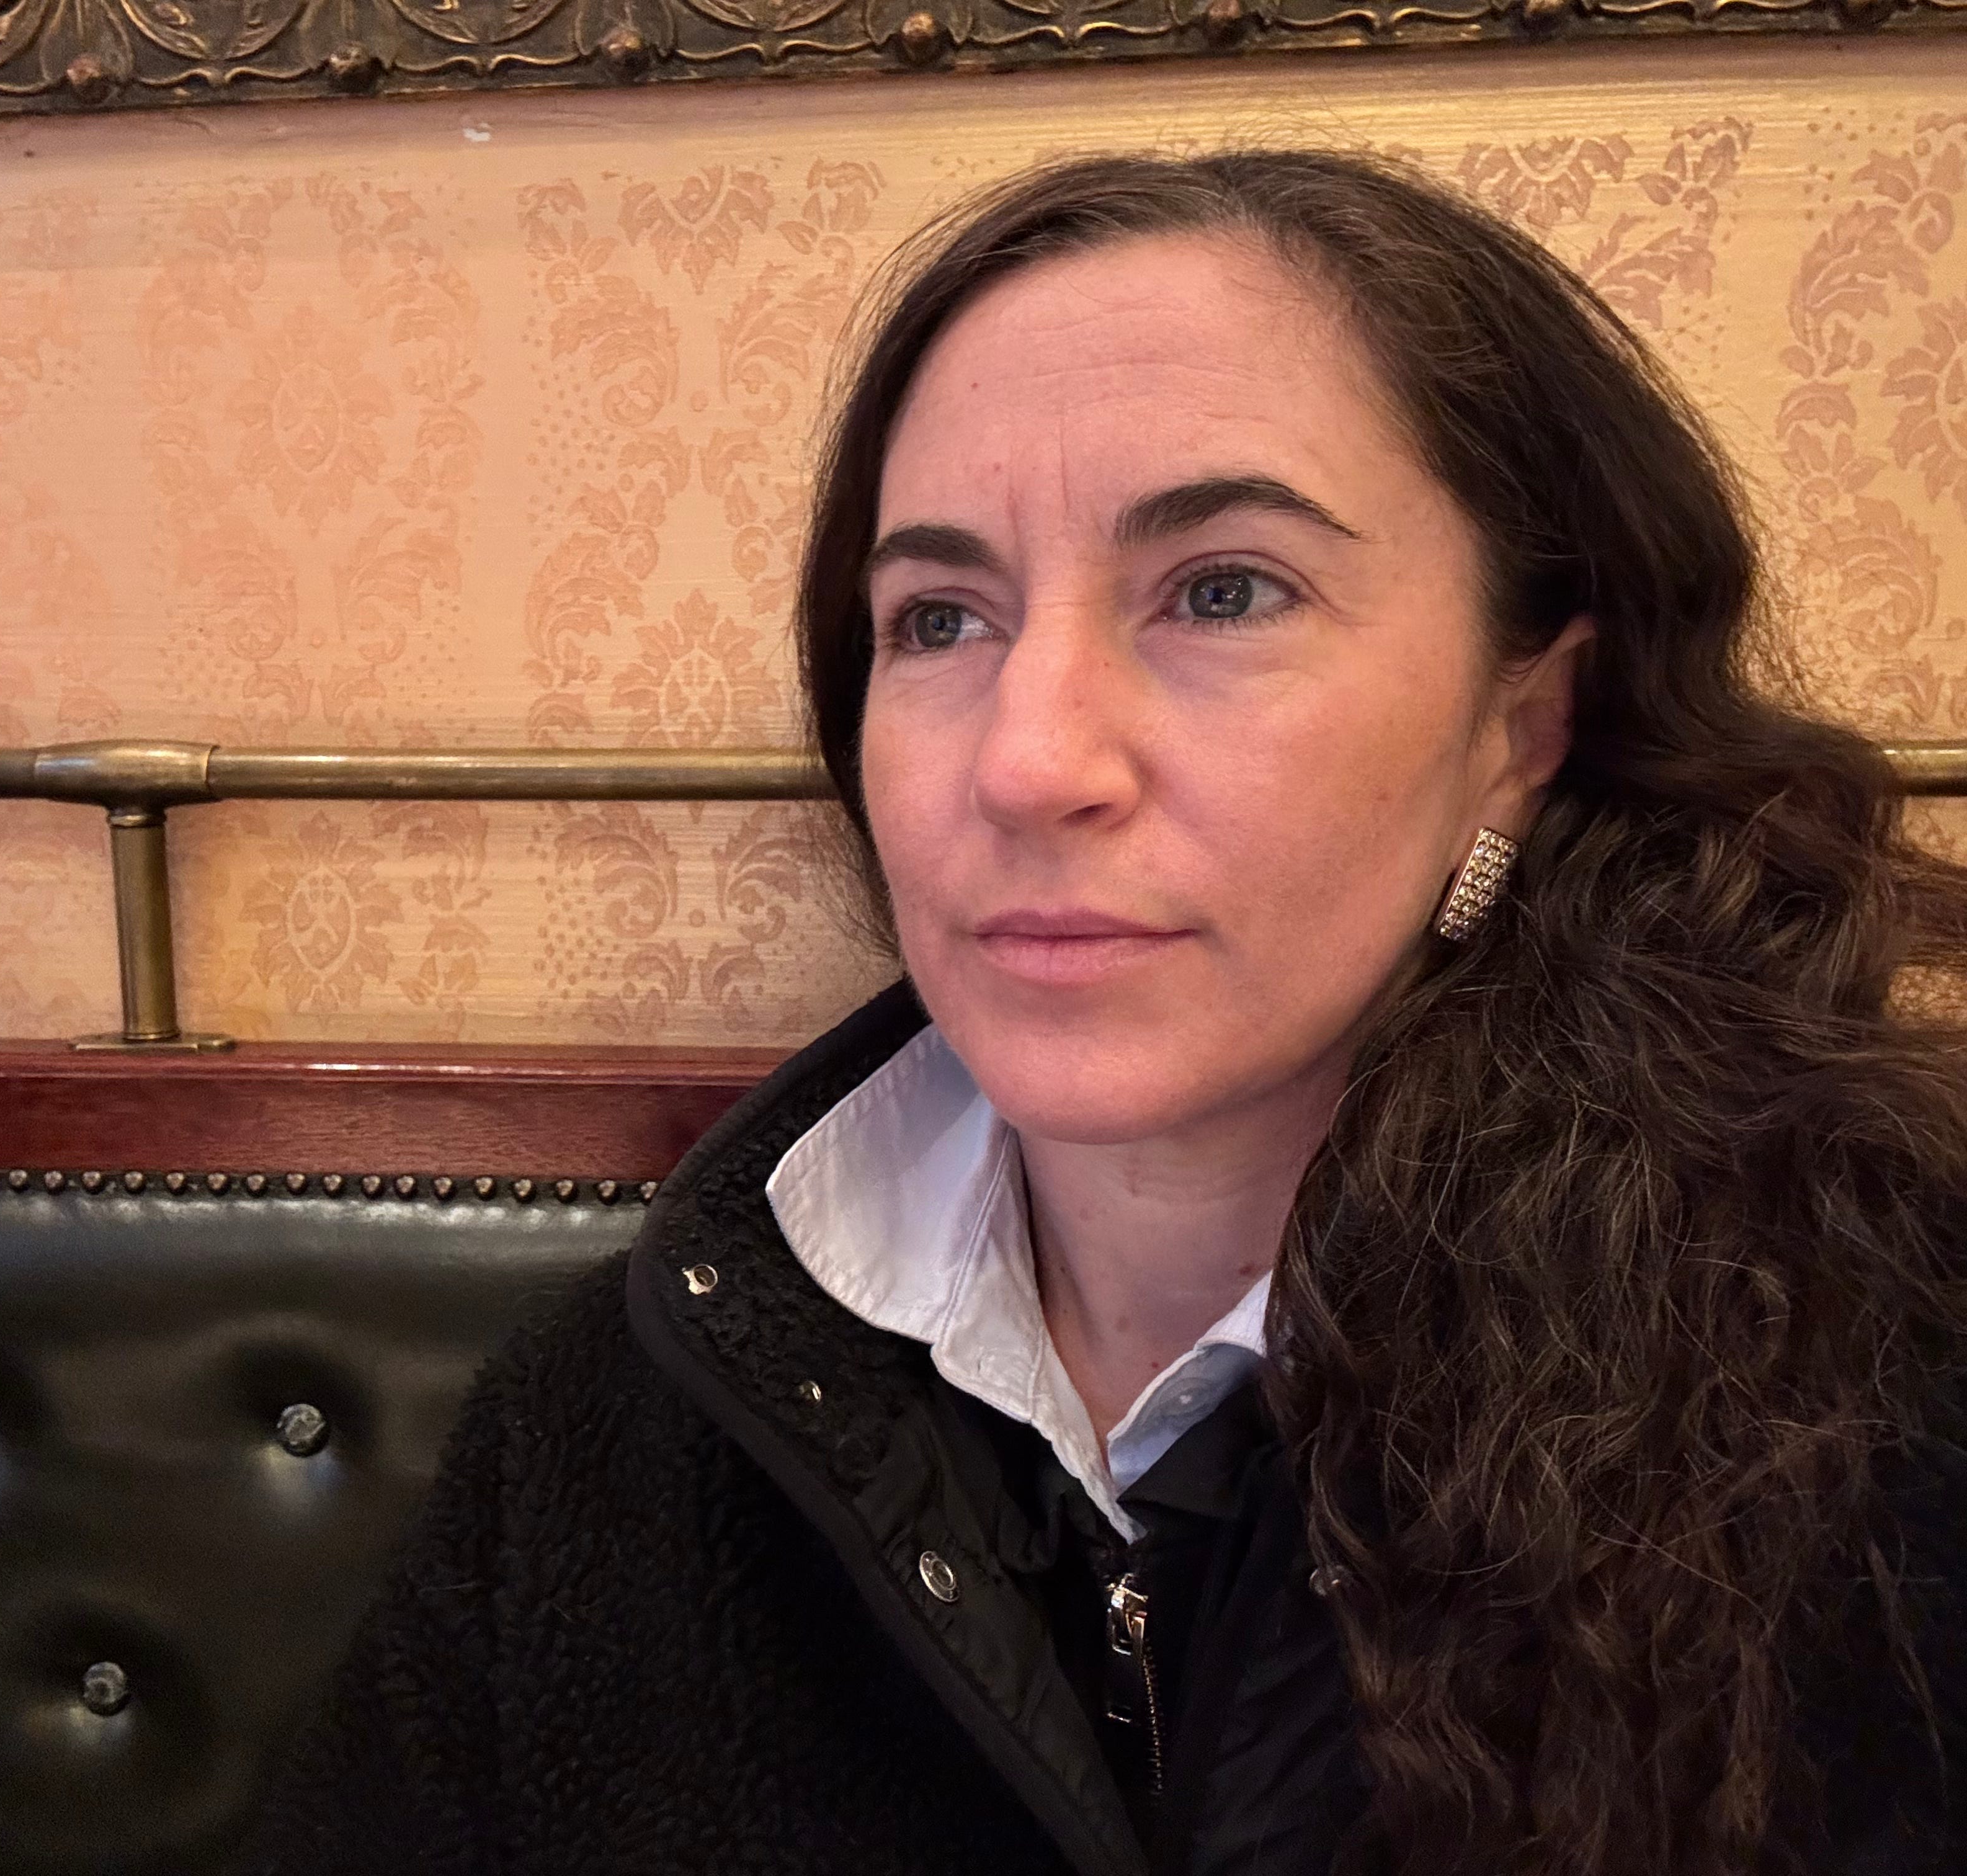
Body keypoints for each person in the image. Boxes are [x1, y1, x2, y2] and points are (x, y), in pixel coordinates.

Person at [233, 151, 1967, 1876]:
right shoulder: (606, 1429)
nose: (1029, 758)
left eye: (1224, 591)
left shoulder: (1884, 1411)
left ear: (1523, 728)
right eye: (940, 620)